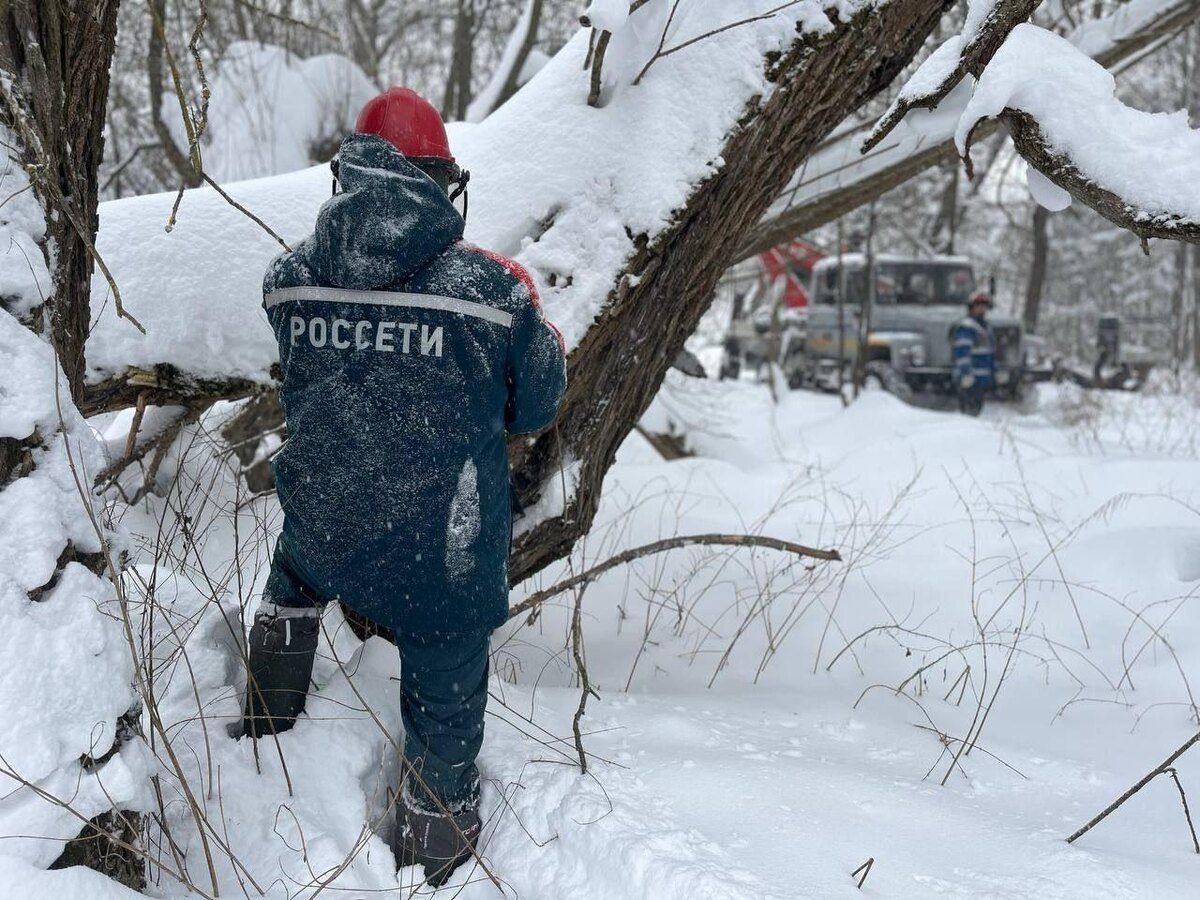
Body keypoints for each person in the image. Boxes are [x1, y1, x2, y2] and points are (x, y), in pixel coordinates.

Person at [231, 87, 567, 887]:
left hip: (321, 524)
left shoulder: (288, 279)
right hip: (439, 548)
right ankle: (434, 850)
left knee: (289, 586)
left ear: (347, 177)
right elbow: (537, 404)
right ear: (441, 181)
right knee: (445, 686)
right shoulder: (493, 293)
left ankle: (262, 738)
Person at [952, 290, 995, 416]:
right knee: (968, 413)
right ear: (971, 307)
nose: (982, 309)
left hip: (982, 379)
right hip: (969, 379)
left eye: (984, 306)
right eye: (979, 306)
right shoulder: (966, 327)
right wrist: (966, 373)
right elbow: (962, 353)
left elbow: (990, 352)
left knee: (976, 410)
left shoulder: (986, 327)